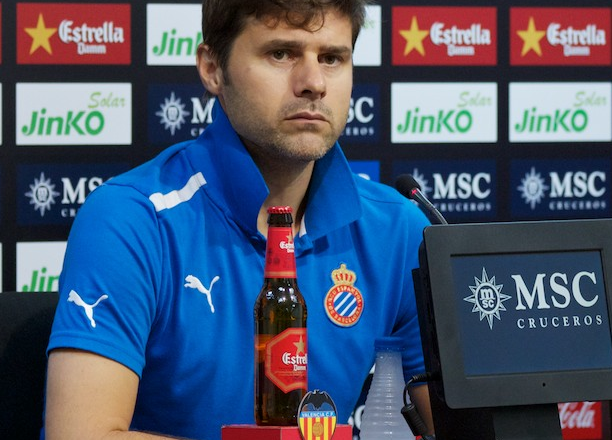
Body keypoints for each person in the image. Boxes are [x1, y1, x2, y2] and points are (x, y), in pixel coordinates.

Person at [43, 0, 434, 439]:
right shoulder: (132, 220)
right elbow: (81, 433)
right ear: (213, 68)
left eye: (331, 58)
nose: (313, 83)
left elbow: (463, 422)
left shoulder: (398, 229)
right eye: (281, 54)